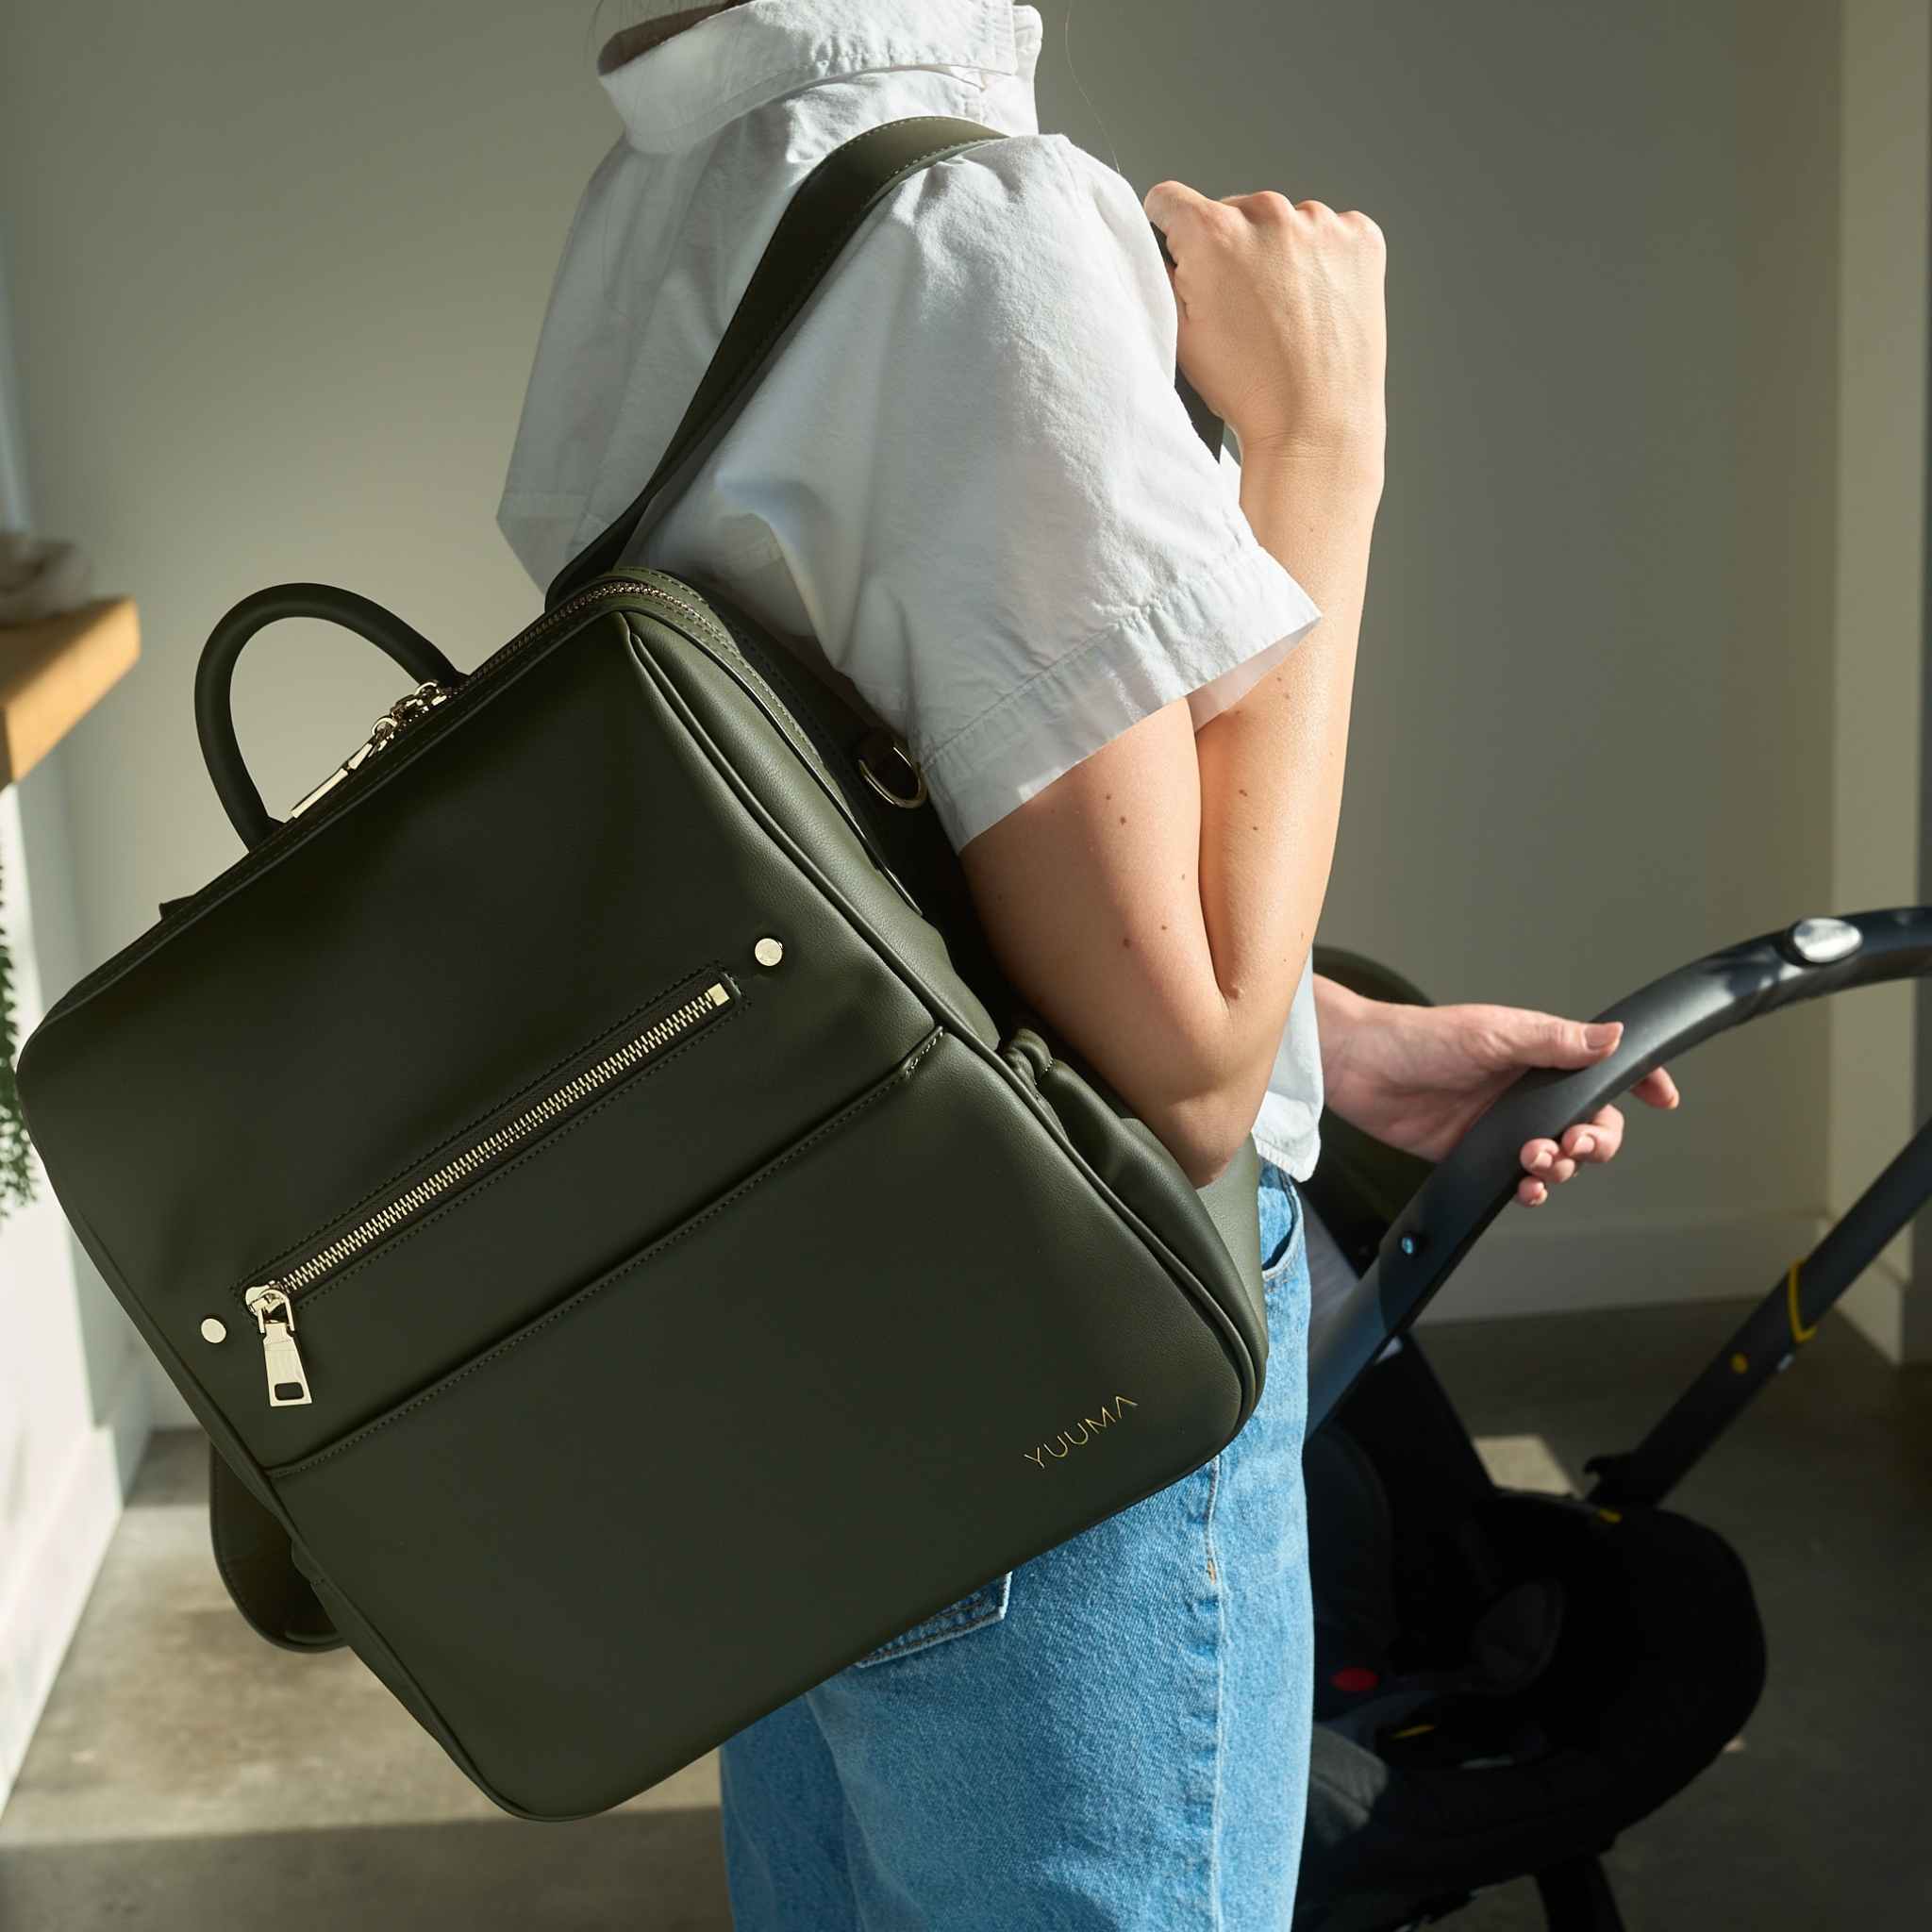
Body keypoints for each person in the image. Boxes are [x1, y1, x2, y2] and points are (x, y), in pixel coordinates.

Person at [497, 5, 1681, 1924]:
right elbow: (1185, 1075)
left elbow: (821, 835)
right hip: (1043, 1405)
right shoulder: (983, 223)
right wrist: (1322, 438)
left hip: (786, 1350)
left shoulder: (671, 182)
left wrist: (1327, 1036)